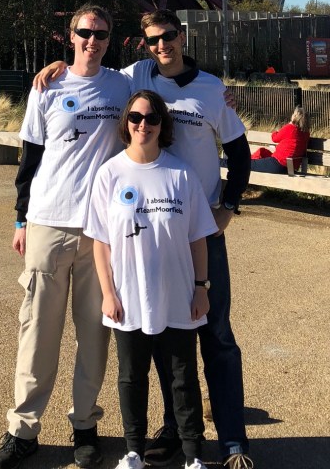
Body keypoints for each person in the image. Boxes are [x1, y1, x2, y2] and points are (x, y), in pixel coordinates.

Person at [35, 9, 254, 469]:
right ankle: (174, 431)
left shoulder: (213, 90)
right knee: (162, 335)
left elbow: (238, 150)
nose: (162, 46)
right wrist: (57, 68)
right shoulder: (138, 75)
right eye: (153, 39)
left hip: (197, 229)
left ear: (182, 36)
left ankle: (233, 442)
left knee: (213, 333)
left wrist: (228, 207)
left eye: (169, 36)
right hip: (148, 232)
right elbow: (90, 67)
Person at [0, 4, 131, 469]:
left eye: (102, 33)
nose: (93, 40)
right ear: (70, 36)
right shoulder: (46, 88)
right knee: (37, 332)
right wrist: (20, 220)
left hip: (101, 233)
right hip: (49, 222)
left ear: (111, 39)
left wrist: (222, 98)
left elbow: (165, 74)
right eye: (86, 32)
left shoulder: (122, 84)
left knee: (94, 335)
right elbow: (30, 159)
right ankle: (23, 429)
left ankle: (85, 424)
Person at [86, 90, 215, 469]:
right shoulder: (110, 174)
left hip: (178, 295)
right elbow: (100, 242)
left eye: (152, 119)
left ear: (163, 125)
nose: (144, 125)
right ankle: (133, 452)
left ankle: (193, 457)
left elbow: (198, 238)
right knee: (131, 377)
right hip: (127, 298)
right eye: (136, 118)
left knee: (182, 378)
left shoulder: (180, 174)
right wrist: (108, 293)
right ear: (126, 123)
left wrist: (201, 288)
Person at [250, 106, 309, 174]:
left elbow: (274, 138)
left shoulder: (290, 128)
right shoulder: (306, 133)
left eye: (293, 114)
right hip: (291, 169)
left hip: (278, 164)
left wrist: (277, 131)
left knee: (248, 164)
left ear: (295, 116)